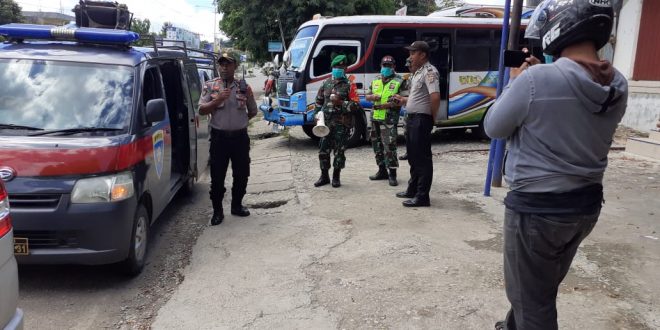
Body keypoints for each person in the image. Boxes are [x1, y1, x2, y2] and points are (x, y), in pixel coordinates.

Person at [484, 1, 627, 329]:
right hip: (585, 207)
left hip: (537, 210)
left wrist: (517, 80)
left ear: (559, 29)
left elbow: (494, 127)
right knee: (538, 287)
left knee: (532, 300)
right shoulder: (618, 85)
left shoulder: (534, 80)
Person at [199, 53, 258, 226]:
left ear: (235, 66)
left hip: (240, 138)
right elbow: (202, 110)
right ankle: (218, 212)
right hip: (219, 139)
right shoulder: (210, 86)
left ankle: (237, 205)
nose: (224, 67)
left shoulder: (244, 87)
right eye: (221, 64)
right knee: (217, 177)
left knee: (242, 174)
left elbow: (253, 111)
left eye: (228, 64)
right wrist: (217, 100)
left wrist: (241, 122)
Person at [391, 41, 440, 207]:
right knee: (413, 156)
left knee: (422, 159)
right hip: (412, 118)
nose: (410, 56)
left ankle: (422, 196)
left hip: (421, 119)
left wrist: (431, 118)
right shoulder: (417, 73)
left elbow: (434, 97)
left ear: (423, 55)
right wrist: (403, 100)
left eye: (413, 53)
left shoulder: (429, 72)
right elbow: (417, 98)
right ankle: (412, 189)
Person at [313, 54, 359, 188]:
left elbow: (356, 106)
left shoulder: (350, 85)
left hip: (341, 124)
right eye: (336, 67)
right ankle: (324, 176)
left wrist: (341, 102)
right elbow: (318, 101)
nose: (338, 69)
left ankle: (336, 177)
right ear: (332, 67)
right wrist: (316, 116)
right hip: (325, 124)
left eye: (341, 67)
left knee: (339, 151)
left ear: (345, 69)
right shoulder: (325, 83)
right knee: (323, 150)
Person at [366, 55, 407, 186]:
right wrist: (372, 96)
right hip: (375, 118)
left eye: (389, 66)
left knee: (389, 147)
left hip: (389, 119)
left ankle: (393, 174)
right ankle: (382, 171)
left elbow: (405, 99)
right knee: (377, 145)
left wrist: (389, 104)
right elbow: (367, 96)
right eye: (384, 66)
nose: (386, 68)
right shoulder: (376, 80)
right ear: (381, 66)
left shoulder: (400, 81)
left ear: (394, 67)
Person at [398, 57, 415, 161]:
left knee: (416, 134)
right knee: (406, 131)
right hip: (408, 108)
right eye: (408, 66)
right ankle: (409, 152)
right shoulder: (409, 78)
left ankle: (416, 153)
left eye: (410, 66)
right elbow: (405, 92)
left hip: (416, 108)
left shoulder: (420, 76)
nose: (409, 68)